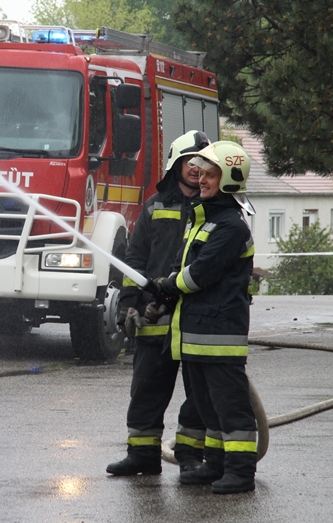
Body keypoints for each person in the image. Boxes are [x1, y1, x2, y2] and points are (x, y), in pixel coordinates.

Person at [153, 140, 257, 494]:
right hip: (196, 335)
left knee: (231, 410)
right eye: (201, 174)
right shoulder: (204, 219)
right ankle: (215, 465)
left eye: (211, 175)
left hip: (219, 335)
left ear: (229, 179)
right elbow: (184, 265)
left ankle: (241, 472)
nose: (202, 180)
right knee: (209, 409)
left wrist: (168, 285)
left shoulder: (231, 227)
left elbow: (200, 274)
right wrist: (168, 287)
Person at [106, 131, 209, 476]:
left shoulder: (216, 207)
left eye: (202, 163)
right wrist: (128, 304)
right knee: (147, 389)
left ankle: (190, 456)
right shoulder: (155, 206)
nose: (195, 168)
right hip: (155, 317)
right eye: (189, 161)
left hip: (196, 317)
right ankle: (142, 454)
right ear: (176, 164)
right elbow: (135, 259)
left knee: (199, 393)